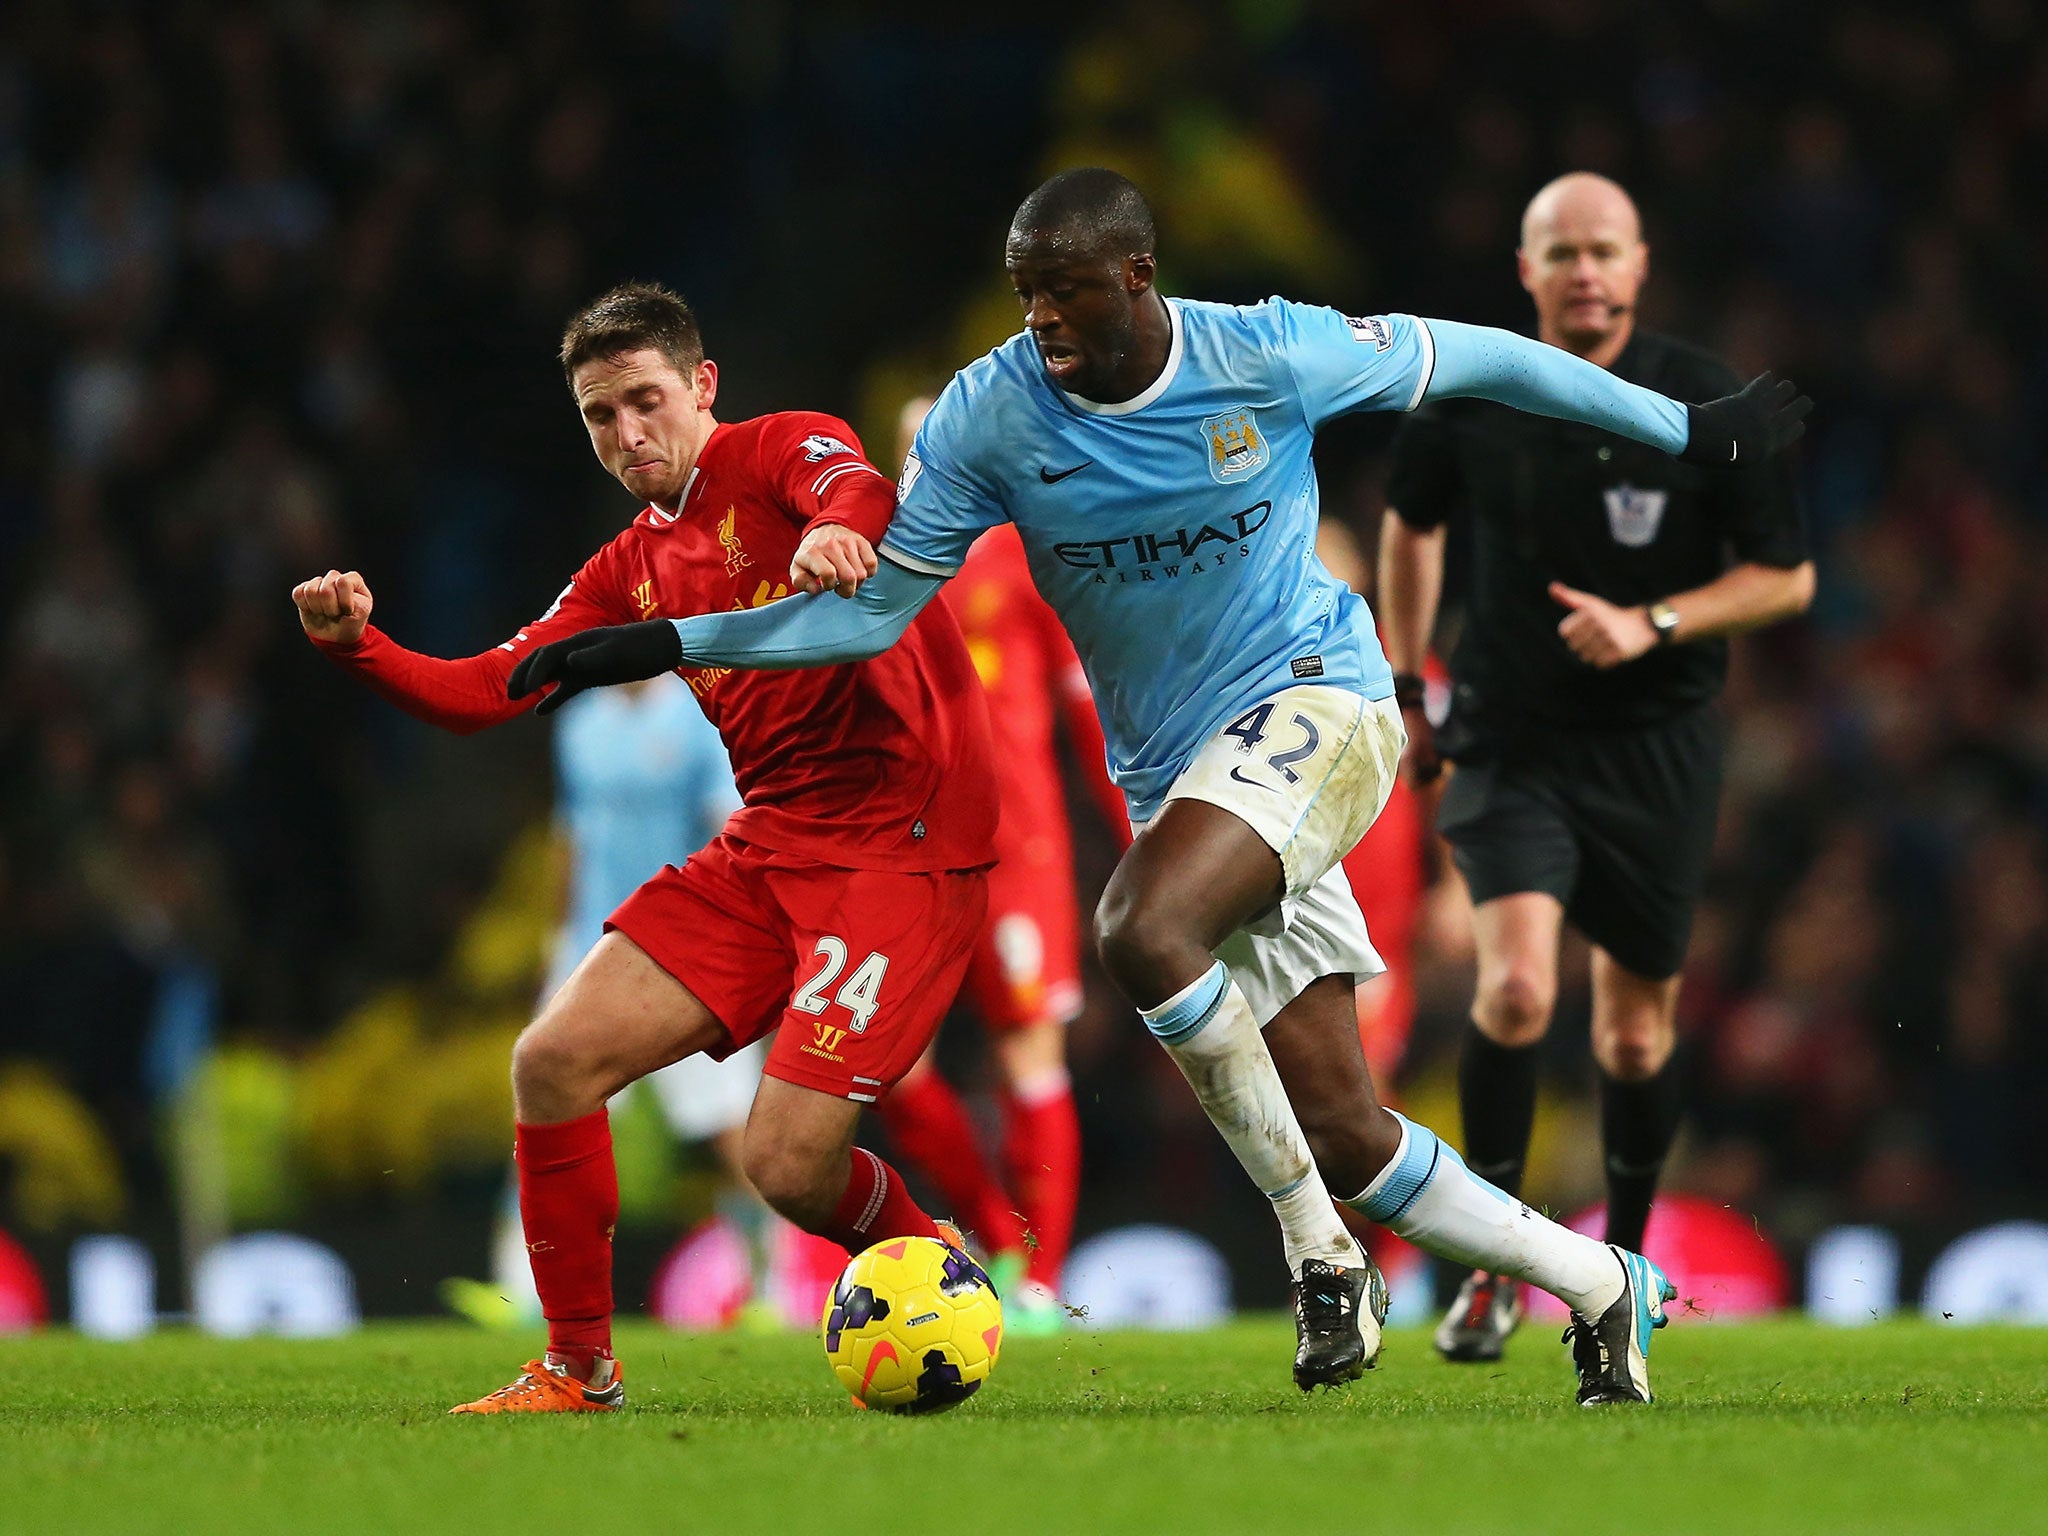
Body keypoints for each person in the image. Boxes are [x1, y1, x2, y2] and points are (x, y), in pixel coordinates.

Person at [512, 171, 1810, 1405]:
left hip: (1319, 698)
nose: (1042, 321)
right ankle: (1601, 1284)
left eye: (1065, 292)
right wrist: (673, 640)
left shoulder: (1266, 349)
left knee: (1143, 926)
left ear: (1137, 276)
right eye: (1025, 293)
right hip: (1178, 771)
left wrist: (1693, 430)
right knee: (1352, 1131)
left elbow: (1486, 358)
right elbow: (870, 615)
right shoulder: (988, 411)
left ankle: (1315, 1255)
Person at [291, 282, 997, 1413]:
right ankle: (578, 1367)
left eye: (644, 401)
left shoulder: (777, 451)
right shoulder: (628, 566)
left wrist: (832, 535)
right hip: (772, 846)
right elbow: (491, 689)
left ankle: (940, 1268)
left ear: (701, 386)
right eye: (598, 417)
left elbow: (853, 484)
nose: (626, 436)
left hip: (900, 847)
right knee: (551, 1063)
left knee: (782, 1165)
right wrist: (362, 648)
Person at [1376, 172, 1814, 1365]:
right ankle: (1487, 1272)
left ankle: (1613, 1272)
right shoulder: (1471, 391)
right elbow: (1409, 522)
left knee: (1629, 1038)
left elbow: (1786, 575)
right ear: (1524, 271)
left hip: (1655, 746)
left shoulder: (1702, 400)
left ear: (1637, 264)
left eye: (1601, 250)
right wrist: (1409, 681)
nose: (1581, 270)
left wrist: (1655, 623)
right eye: (1558, 251)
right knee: (1513, 989)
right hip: (1511, 738)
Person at [873, 399, 1132, 1333]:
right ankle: (987, 1233)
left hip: (1015, 857)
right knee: (892, 1070)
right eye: (912, 446)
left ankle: (1037, 1278)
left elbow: (1087, 713)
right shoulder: (866, 568)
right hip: (901, 859)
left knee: (1032, 1057)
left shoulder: (1029, 557)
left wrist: (1142, 840)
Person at [441, 675, 776, 1332]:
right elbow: (572, 835)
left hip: (682, 954)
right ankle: (516, 1286)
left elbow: (727, 831)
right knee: (542, 1108)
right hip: (589, 948)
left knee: (734, 1134)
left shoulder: (700, 719)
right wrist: (555, 935)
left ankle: (769, 1280)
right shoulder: (580, 722)